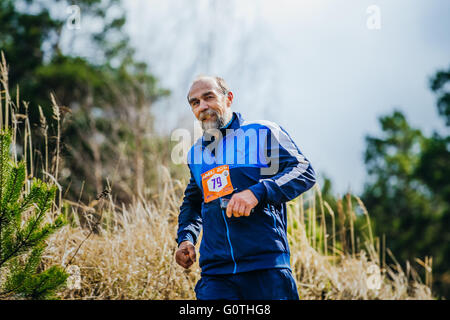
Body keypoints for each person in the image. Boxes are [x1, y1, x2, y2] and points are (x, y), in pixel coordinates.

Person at [175, 75, 316, 300]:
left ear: (229, 98)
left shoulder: (262, 132)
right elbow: (192, 203)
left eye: (208, 97)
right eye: (195, 102)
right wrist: (186, 238)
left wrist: (257, 193)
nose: (202, 106)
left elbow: (304, 170)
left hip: (265, 267)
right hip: (215, 275)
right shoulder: (195, 154)